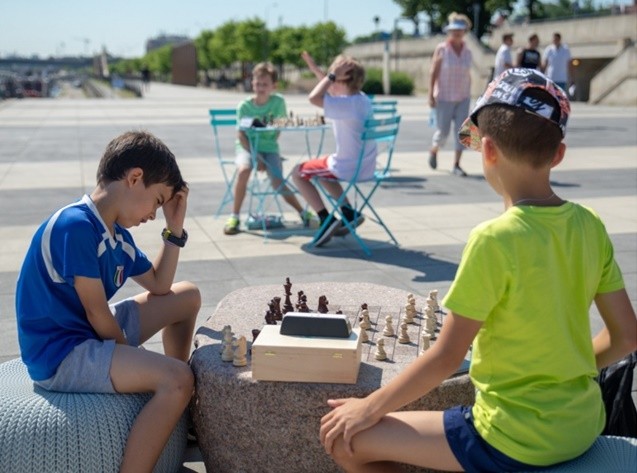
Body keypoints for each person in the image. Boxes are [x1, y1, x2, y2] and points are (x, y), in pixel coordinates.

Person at [318, 69, 637, 472]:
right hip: (582, 427)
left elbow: (447, 356)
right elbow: (626, 335)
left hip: (511, 438)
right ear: (558, 154)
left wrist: (368, 407)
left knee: (349, 441)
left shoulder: (494, 239)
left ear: (487, 151)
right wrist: (563, 368)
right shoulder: (589, 224)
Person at [15, 131, 201, 472]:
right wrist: (130, 354)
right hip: (61, 354)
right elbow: (95, 310)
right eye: (158, 201)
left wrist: (175, 230)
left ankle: (177, 409)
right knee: (178, 379)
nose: (155, 215)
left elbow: (161, 285)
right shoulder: (75, 226)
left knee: (187, 296)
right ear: (134, 178)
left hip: (88, 333)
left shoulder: (118, 237)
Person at [291, 54, 376, 247]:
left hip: (348, 166)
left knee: (296, 172)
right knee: (322, 172)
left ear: (342, 80)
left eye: (335, 76)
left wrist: (331, 75)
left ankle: (325, 218)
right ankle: (348, 212)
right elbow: (330, 87)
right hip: (365, 165)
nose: (331, 80)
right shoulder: (360, 100)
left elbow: (313, 98)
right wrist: (317, 70)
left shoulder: (346, 105)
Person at [224, 62, 311, 235]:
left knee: (278, 179)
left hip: (269, 148)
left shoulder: (279, 102)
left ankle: (303, 212)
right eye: (257, 83)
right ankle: (234, 216)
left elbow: (279, 128)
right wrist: (256, 156)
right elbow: (241, 135)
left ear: (273, 85)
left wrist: (265, 154)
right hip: (248, 148)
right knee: (243, 170)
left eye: (265, 84)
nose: (260, 87)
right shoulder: (244, 106)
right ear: (252, 83)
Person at [428, 12, 473, 177]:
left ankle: (457, 164)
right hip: (444, 97)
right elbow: (433, 72)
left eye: (460, 30)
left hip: (463, 97)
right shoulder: (441, 49)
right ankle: (434, 150)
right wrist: (430, 95)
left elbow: (468, 74)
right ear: (449, 31)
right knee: (443, 132)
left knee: (462, 133)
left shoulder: (468, 51)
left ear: (465, 31)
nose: (457, 33)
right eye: (454, 30)